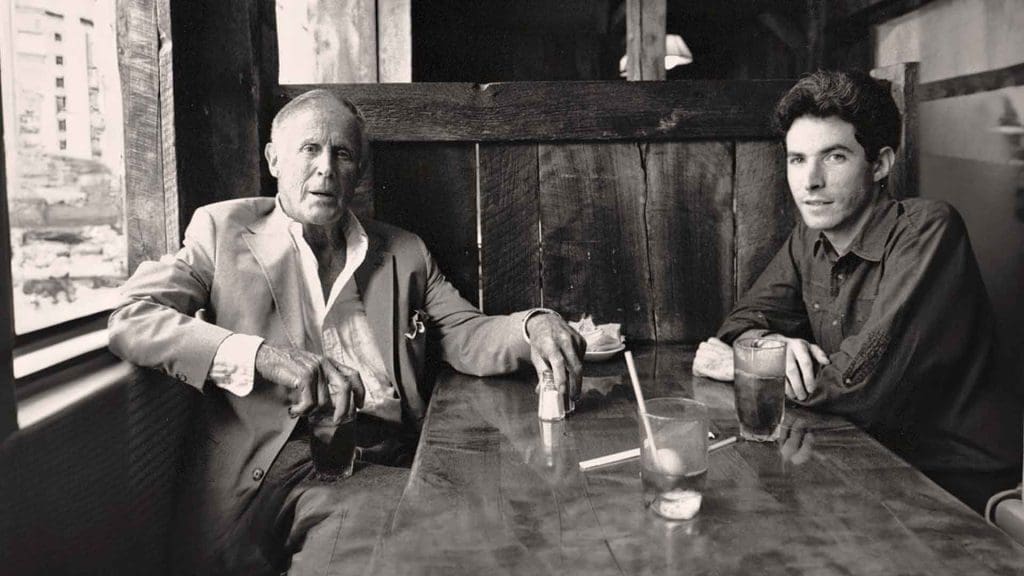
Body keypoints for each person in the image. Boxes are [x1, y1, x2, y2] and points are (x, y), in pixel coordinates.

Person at [108, 89, 585, 575]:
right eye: (309, 149)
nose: (326, 169)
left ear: (360, 170)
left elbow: (466, 332)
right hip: (267, 467)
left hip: (377, 460)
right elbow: (134, 316)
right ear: (274, 160)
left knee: (499, 530)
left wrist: (533, 325)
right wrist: (261, 355)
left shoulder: (404, 251)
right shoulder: (221, 229)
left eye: (343, 154)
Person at [693, 70, 1022, 514]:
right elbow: (740, 326)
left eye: (834, 158)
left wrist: (742, 366)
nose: (809, 181)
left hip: (955, 490)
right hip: (862, 465)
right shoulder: (807, 240)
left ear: (880, 164)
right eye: (796, 159)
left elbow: (858, 389)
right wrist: (769, 346)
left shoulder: (928, 230)